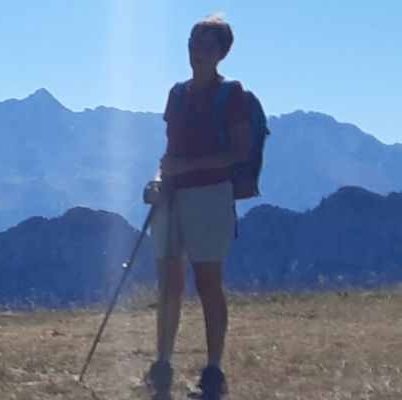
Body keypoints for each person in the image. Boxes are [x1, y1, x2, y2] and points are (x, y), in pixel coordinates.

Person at [141, 13, 258, 400]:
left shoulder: (232, 95)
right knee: (169, 282)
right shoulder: (177, 94)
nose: (197, 49)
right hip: (173, 195)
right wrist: (160, 180)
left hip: (209, 196)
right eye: (194, 41)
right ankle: (163, 364)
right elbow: (171, 149)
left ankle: (213, 371)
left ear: (222, 52)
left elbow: (239, 151)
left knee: (208, 283)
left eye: (206, 43)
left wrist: (183, 169)